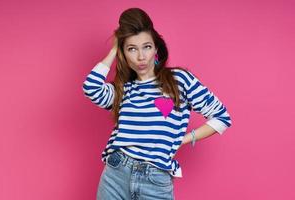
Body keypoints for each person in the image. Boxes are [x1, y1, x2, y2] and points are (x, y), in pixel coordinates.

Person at [82, 7, 232, 200]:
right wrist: (114, 48)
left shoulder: (179, 80)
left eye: (146, 46)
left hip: (156, 177)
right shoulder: (124, 89)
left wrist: (183, 140)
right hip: (116, 173)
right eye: (131, 49)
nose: (141, 56)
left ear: (156, 49)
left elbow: (222, 117)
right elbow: (91, 87)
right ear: (124, 54)